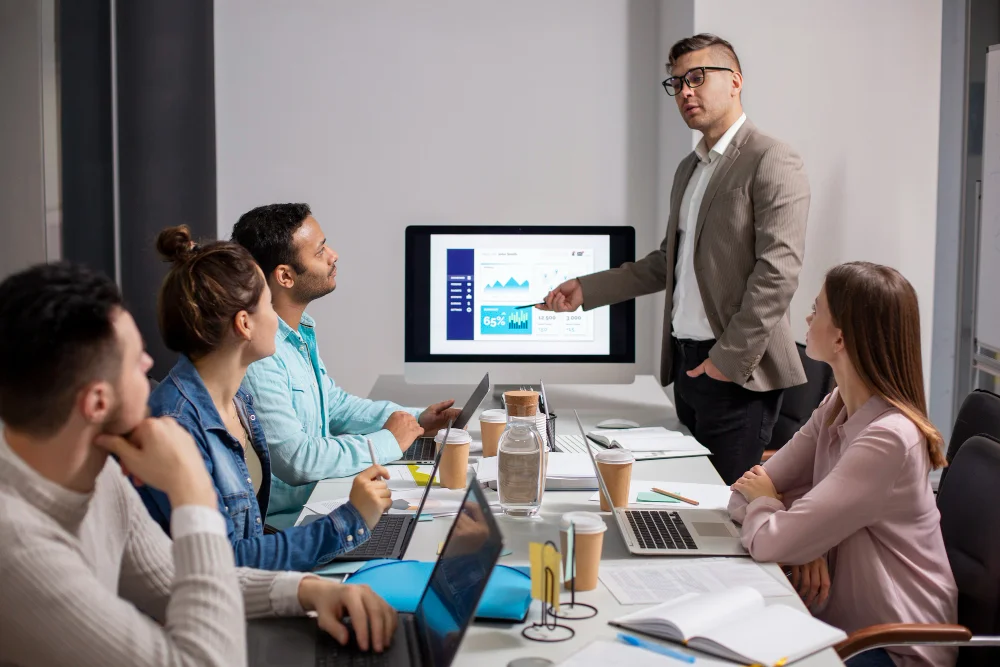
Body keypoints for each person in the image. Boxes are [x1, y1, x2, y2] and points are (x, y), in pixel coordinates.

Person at [0, 262, 397, 666]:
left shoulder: (99, 473)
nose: (149, 366)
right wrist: (191, 490)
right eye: (135, 361)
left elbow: (178, 579)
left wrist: (308, 591)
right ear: (97, 404)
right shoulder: (19, 555)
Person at [541, 33, 810, 484]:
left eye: (697, 78)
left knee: (723, 509)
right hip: (687, 366)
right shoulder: (691, 169)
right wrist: (587, 289)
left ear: (735, 81)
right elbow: (668, 261)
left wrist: (726, 361)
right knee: (685, 499)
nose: (685, 91)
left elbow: (778, 273)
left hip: (735, 372)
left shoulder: (772, 158)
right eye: (677, 83)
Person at [728, 262, 957, 667]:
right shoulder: (836, 405)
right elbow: (741, 495)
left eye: (816, 309)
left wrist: (796, 533)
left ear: (840, 338)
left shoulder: (889, 439)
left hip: (892, 647)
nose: (807, 318)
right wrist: (806, 542)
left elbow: (769, 541)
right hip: (840, 626)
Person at [140, 226, 392, 572]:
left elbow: (249, 536)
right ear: (245, 324)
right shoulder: (179, 425)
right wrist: (350, 519)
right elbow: (227, 561)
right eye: (267, 306)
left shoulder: (238, 401)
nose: (277, 318)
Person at [232, 203, 460, 525]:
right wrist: (388, 442)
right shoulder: (260, 355)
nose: (333, 255)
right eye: (320, 250)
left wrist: (416, 418)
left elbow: (334, 406)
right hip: (290, 524)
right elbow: (298, 459)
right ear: (285, 276)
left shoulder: (297, 334)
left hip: (321, 501)